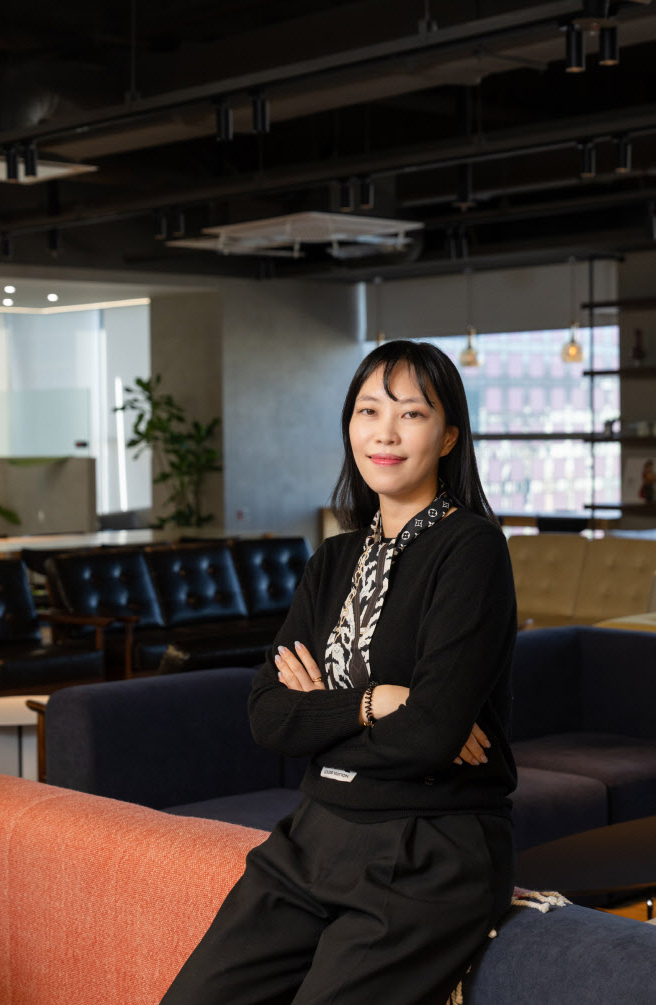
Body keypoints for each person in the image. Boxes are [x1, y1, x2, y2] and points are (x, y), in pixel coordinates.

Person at [160, 339, 518, 1005]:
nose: (385, 432)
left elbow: (431, 735)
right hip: (313, 834)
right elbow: (268, 715)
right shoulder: (331, 559)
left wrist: (328, 716)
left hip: (427, 849)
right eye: (368, 410)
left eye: (412, 413)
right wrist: (375, 702)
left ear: (448, 437)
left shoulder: (471, 549)